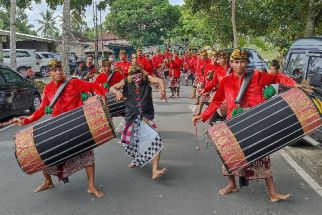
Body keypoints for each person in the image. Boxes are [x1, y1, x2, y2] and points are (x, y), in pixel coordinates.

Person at [192, 48, 296, 202]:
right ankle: (232, 184)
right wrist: (203, 115)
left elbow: (277, 78)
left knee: (263, 155)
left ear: (247, 63)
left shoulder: (257, 76)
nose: (239, 65)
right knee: (229, 154)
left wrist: (294, 84)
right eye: (236, 62)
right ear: (231, 63)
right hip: (233, 122)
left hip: (255, 121)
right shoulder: (226, 81)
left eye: (242, 61)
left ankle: (272, 193)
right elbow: (216, 101)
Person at [11, 59, 106, 198]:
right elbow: (42, 110)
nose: (58, 72)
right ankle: (48, 181)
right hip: (58, 127)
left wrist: (102, 96)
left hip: (77, 124)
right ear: (49, 73)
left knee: (87, 155)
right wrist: (26, 120)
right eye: (54, 70)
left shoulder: (73, 82)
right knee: (42, 152)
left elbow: (93, 86)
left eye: (60, 68)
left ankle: (91, 186)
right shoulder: (48, 89)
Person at [109, 64, 167, 179]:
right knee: (132, 143)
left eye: (139, 77)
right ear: (130, 76)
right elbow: (112, 87)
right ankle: (137, 159)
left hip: (145, 117)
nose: (137, 80)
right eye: (134, 78)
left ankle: (154, 170)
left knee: (156, 139)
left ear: (142, 75)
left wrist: (163, 91)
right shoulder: (126, 80)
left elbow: (160, 80)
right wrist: (117, 93)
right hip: (131, 117)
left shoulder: (147, 78)